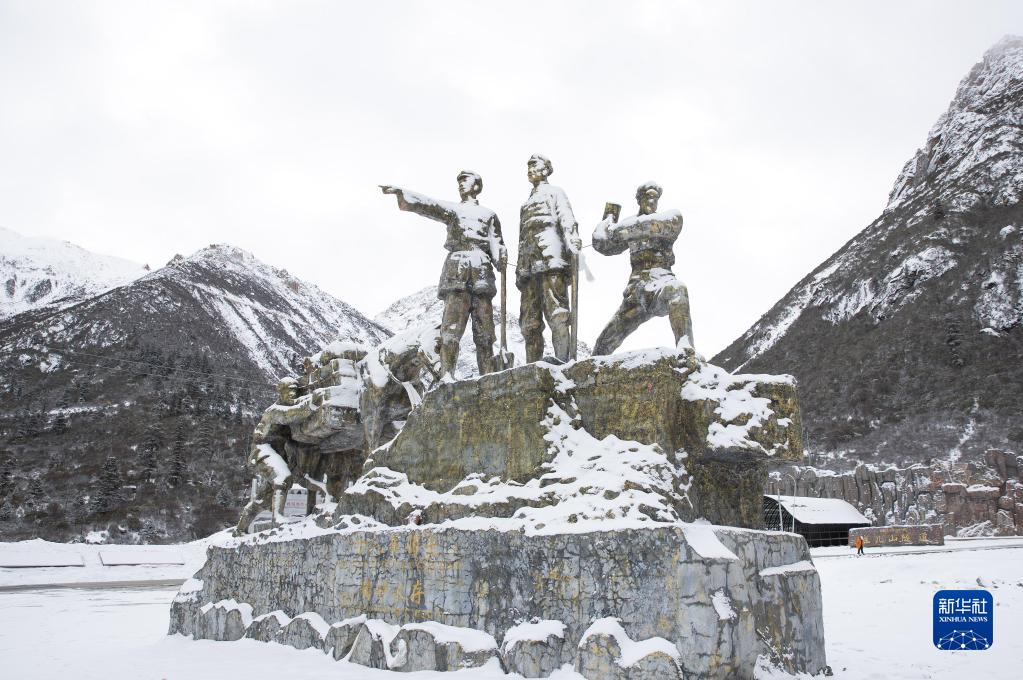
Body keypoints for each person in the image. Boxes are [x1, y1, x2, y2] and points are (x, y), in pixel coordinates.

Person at [381, 171, 507, 378]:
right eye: (459, 182)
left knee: (485, 333)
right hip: (457, 273)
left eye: (465, 181)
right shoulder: (453, 210)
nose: (461, 185)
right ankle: (447, 375)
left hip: (482, 275)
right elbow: (430, 205)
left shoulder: (489, 215)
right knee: (451, 330)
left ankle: (488, 376)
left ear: (476, 186)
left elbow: (497, 244)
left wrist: (501, 255)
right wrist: (403, 193)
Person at [591, 181, 694, 355]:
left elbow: (647, 226)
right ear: (639, 200)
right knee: (604, 342)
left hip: (661, 283)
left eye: (655, 198)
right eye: (647, 197)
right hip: (636, 291)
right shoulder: (629, 225)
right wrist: (608, 219)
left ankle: (686, 347)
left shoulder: (671, 218)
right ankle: (591, 366)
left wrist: (615, 230)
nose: (652, 201)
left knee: (677, 290)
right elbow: (601, 244)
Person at [516, 154, 581, 363]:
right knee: (529, 321)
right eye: (528, 167)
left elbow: (566, 218)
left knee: (557, 312)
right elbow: (521, 236)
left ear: (545, 170)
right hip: (528, 264)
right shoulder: (525, 204)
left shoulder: (556, 192)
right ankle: (532, 365)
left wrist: (572, 239)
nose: (530, 170)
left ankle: (562, 361)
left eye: (534, 166)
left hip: (551, 257)